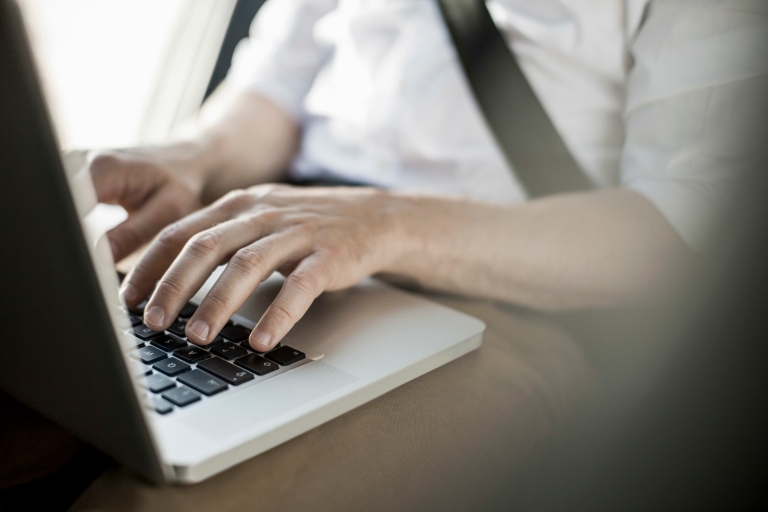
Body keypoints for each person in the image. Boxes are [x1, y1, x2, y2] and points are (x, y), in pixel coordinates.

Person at [63, 0, 765, 509]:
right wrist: (196, 155)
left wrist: (385, 223)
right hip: (271, 245)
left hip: (495, 308)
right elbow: (277, 85)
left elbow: (686, 226)